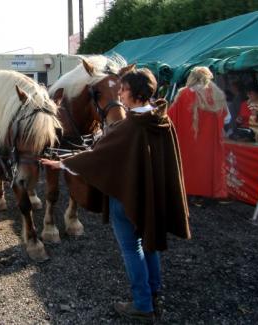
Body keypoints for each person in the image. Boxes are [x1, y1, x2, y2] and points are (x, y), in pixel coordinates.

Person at [41, 68, 191, 323]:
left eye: (122, 89)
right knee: (150, 242)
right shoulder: (163, 120)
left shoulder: (129, 126)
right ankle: (154, 292)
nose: (119, 94)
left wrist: (61, 163)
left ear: (134, 93)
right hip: (151, 196)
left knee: (133, 249)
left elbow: (96, 156)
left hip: (126, 196)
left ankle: (143, 304)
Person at [168, 66, 229, 205]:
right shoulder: (215, 94)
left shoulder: (183, 94)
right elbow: (226, 117)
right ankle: (203, 195)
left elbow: (171, 117)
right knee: (206, 166)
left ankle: (189, 194)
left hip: (186, 140)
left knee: (188, 166)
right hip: (208, 141)